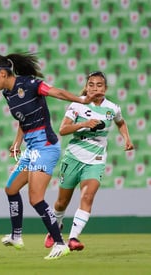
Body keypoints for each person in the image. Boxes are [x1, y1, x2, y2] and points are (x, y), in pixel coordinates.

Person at [0, 52, 101, 260]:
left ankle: (59, 243)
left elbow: (55, 92)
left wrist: (81, 99)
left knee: (36, 199)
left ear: (2, 73)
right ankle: (16, 236)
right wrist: (17, 141)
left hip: (46, 146)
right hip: (32, 147)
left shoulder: (30, 84)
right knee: (11, 188)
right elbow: (23, 118)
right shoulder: (8, 94)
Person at [44, 71, 134, 251]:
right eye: (91, 84)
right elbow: (62, 130)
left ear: (105, 88)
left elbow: (120, 122)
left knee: (87, 195)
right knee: (62, 202)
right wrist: (83, 124)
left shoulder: (112, 108)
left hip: (96, 160)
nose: (95, 88)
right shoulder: (76, 105)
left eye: (99, 85)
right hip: (73, 157)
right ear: (86, 87)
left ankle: (73, 238)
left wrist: (127, 138)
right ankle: (57, 227)